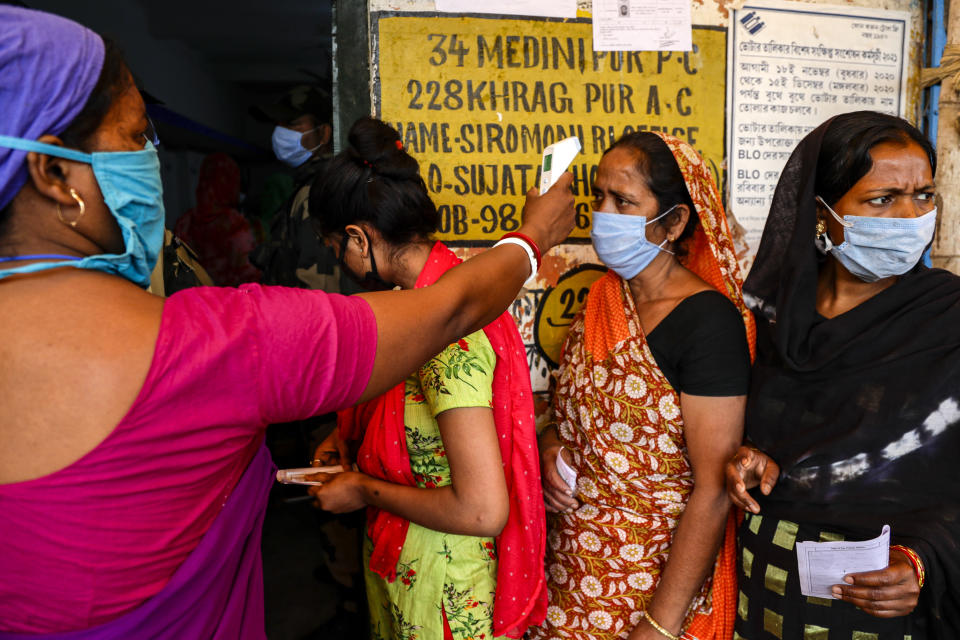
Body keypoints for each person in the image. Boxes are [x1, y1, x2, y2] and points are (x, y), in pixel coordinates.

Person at [0, 7, 575, 637]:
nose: (150, 160)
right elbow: (455, 309)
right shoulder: (222, 344)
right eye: (137, 137)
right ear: (54, 172)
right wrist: (534, 236)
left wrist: (361, 476)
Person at [306, 117, 546, 640]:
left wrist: (363, 490)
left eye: (335, 247)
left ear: (357, 238)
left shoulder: (444, 338)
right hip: (411, 569)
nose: (339, 260)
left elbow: (481, 510)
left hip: (444, 594)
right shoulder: (421, 308)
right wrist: (346, 441)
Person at [726, 111, 959, 639]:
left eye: (923, 195)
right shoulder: (768, 320)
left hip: (888, 601)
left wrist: (924, 559)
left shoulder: (949, 319)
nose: (910, 216)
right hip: (767, 589)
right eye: (882, 200)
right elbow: (771, 439)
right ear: (821, 212)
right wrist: (751, 458)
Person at [531, 132, 755, 640]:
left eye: (624, 201)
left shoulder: (708, 323)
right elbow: (566, 414)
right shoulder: (600, 298)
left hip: (651, 584)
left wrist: (659, 625)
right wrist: (550, 447)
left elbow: (714, 487)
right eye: (599, 197)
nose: (603, 214)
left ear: (674, 222)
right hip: (571, 573)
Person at [250, 85, 342, 291]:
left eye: (292, 124)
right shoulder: (308, 186)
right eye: (279, 125)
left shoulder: (319, 193)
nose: (281, 133)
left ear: (324, 134)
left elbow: (322, 288)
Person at [174, 152, 261, 286]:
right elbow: (247, 271)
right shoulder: (234, 222)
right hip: (229, 300)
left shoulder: (184, 222)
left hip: (194, 298)